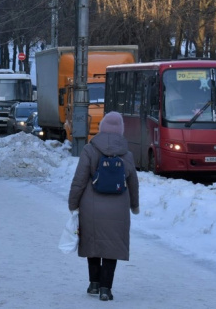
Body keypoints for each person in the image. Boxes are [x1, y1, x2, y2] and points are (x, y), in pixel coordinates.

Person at [67, 111, 139, 301]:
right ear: (121, 130)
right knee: (111, 247)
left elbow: (79, 180)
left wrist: (73, 203)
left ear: (101, 128)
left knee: (93, 244)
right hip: (118, 208)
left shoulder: (89, 150)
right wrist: (134, 205)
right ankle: (106, 289)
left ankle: (94, 283)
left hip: (91, 207)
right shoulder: (127, 154)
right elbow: (133, 183)